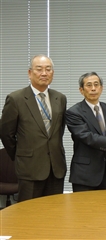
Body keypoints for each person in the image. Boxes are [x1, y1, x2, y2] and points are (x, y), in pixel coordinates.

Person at [0, 54, 67, 202]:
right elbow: (6, 134)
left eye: (48, 69)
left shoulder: (60, 98)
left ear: (53, 73)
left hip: (56, 168)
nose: (44, 73)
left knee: (54, 212)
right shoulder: (16, 98)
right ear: (30, 73)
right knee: (28, 215)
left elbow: (58, 131)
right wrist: (20, 154)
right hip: (29, 168)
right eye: (39, 69)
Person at [66, 72, 106, 192]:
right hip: (85, 175)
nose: (93, 88)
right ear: (81, 90)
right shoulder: (74, 112)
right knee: (84, 209)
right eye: (89, 85)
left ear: (102, 88)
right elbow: (87, 136)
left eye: (96, 84)